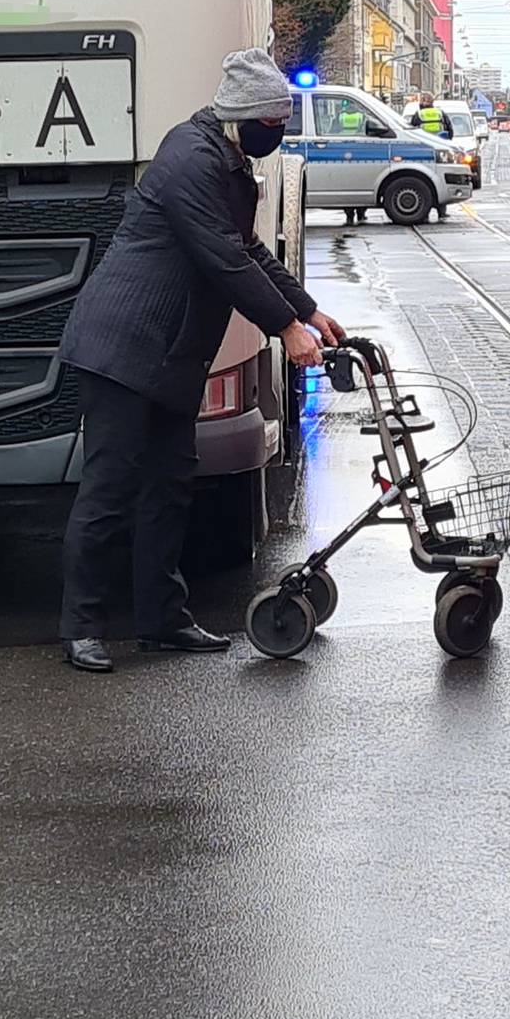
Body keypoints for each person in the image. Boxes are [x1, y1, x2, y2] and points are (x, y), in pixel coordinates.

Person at [56, 49, 345, 673]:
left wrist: (308, 309)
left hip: (170, 353)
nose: (279, 133)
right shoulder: (189, 156)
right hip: (123, 347)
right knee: (110, 489)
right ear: (242, 117)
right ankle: (81, 626)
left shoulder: (229, 162)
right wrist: (284, 328)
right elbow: (223, 258)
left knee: (169, 485)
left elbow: (248, 249)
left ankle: (161, 618)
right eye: (273, 121)